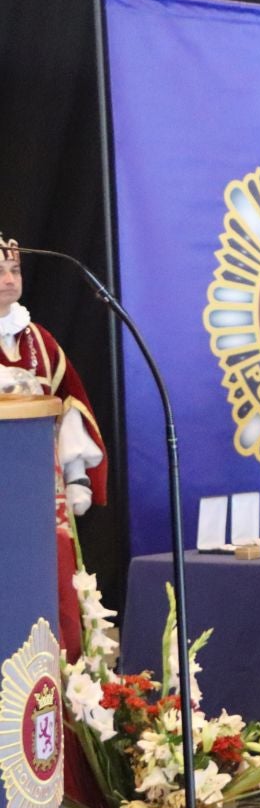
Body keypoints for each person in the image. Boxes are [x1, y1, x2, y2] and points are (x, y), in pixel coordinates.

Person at [0, 235, 107, 657]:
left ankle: (59, 713)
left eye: (15, 270)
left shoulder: (39, 341)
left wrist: (77, 476)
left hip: (45, 500)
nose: (9, 279)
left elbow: (71, 404)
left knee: (58, 598)